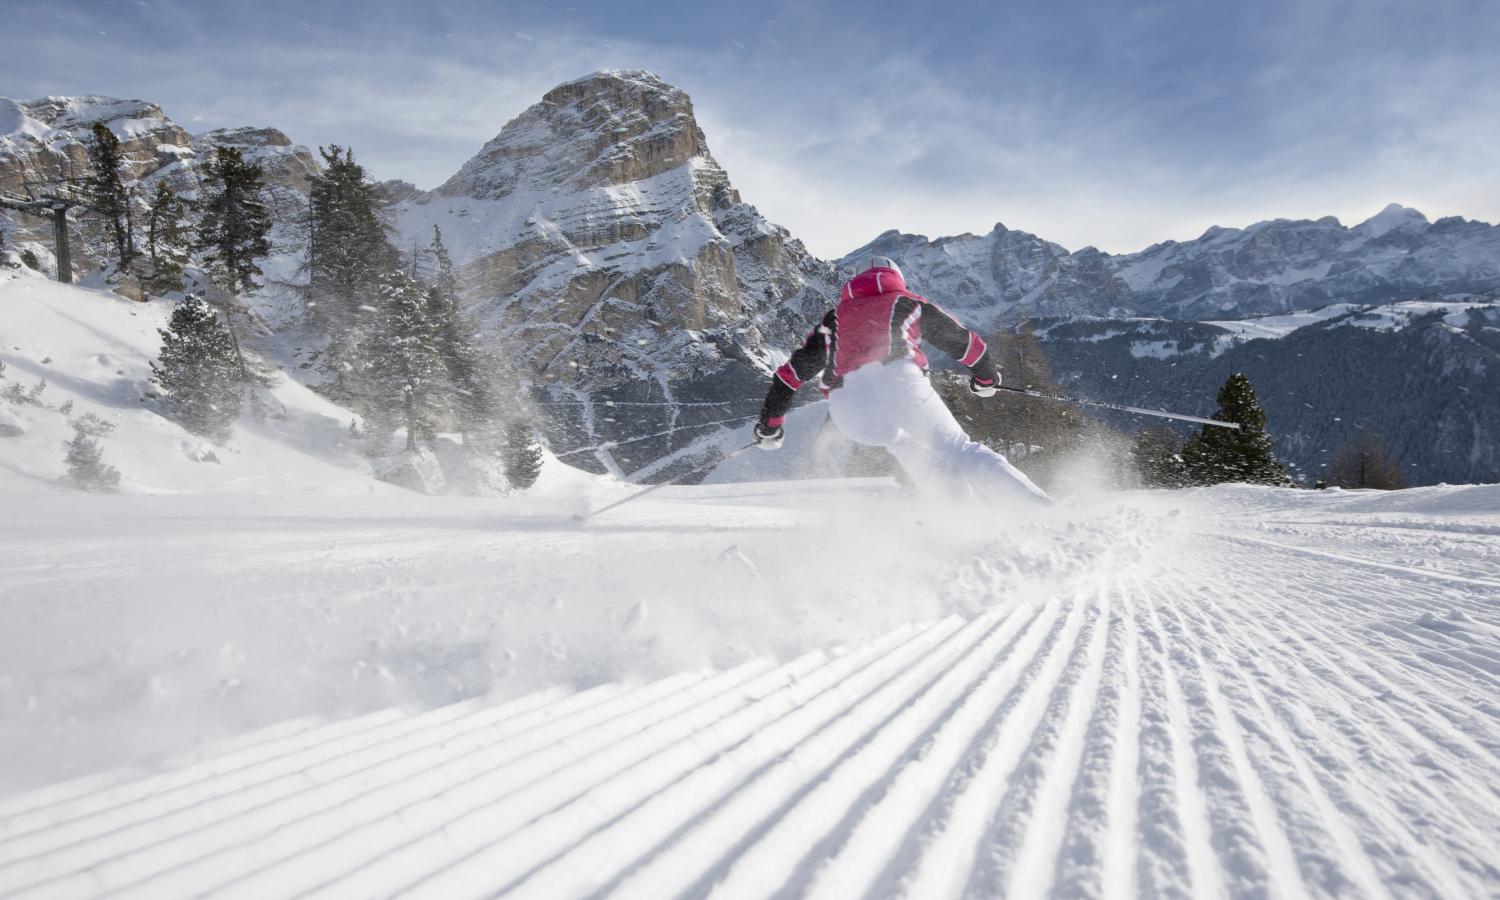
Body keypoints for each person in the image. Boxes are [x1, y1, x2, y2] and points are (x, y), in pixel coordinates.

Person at [753, 255, 1051, 505]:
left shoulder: (835, 318)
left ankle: (962, 520)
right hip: (896, 378)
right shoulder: (906, 302)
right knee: (958, 449)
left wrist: (770, 425)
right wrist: (986, 378)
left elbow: (789, 376)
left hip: (847, 407)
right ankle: (1039, 511)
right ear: (896, 277)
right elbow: (963, 342)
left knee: (906, 444)